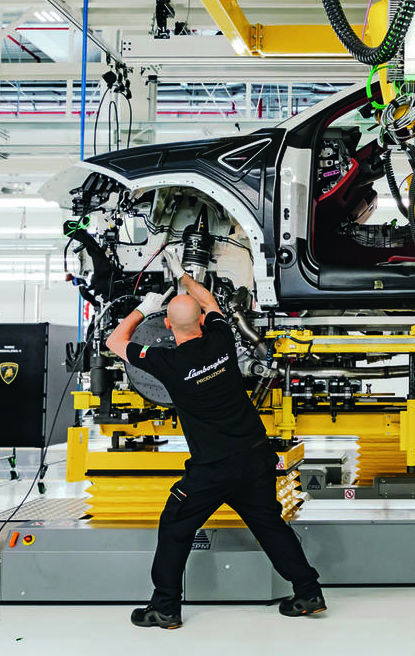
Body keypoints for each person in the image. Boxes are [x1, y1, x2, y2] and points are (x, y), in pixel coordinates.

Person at [105, 249, 325, 629]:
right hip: (255, 457)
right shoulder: (221, 340)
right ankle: (308, 592)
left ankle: (166, 607)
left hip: (212, 470)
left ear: (169, 329)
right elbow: (208, 301)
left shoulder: (166, 362)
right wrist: (186, 279)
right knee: (269, 525)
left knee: (176, 527)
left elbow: (114, 341)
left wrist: (145, 307)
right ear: (203, 325)